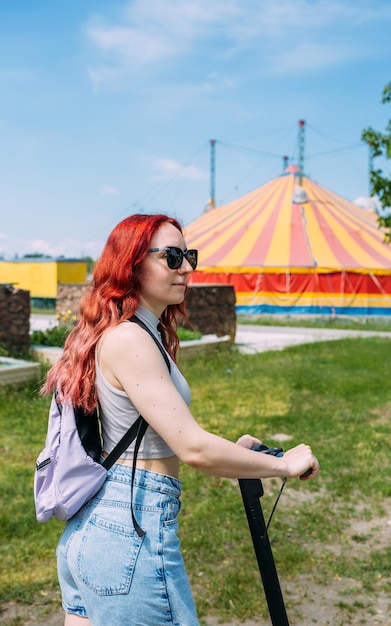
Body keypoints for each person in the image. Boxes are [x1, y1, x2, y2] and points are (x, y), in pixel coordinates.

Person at [41, 213, 319, 626]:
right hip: (131, 527)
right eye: (172, 256)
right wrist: (282, 465)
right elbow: (193, 448)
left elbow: (164, 431)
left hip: (96, 528)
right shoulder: (132, 339)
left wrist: (237, 453)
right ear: (132, 263)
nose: (187, 267)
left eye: (189, 255)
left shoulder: (133, 331)